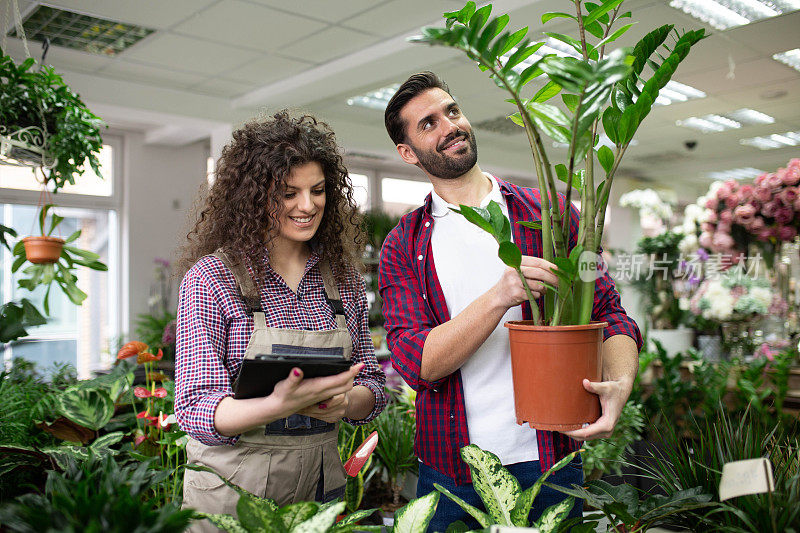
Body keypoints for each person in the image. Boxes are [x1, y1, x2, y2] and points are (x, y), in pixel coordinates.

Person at [379, 72, 642, 531]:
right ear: (407, 153)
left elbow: (609, 313)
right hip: (451, 473)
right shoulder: (404, 244)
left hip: (551, 461)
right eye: (428, 124)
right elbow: (417, 362)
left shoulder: (553, 217)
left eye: (452, 111)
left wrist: (620, 381)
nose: (449, 127)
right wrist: (500, 297)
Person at [175, 111, 386, 532]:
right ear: (253, 197)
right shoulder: (212, 279)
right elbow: (195, 409)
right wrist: (276, 406)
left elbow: (375, 387)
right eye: (288, 193)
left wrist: (346, 403)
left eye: (318, 190)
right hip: (235, 489)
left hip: (319, 487)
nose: (307, 206)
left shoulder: (342, 281)